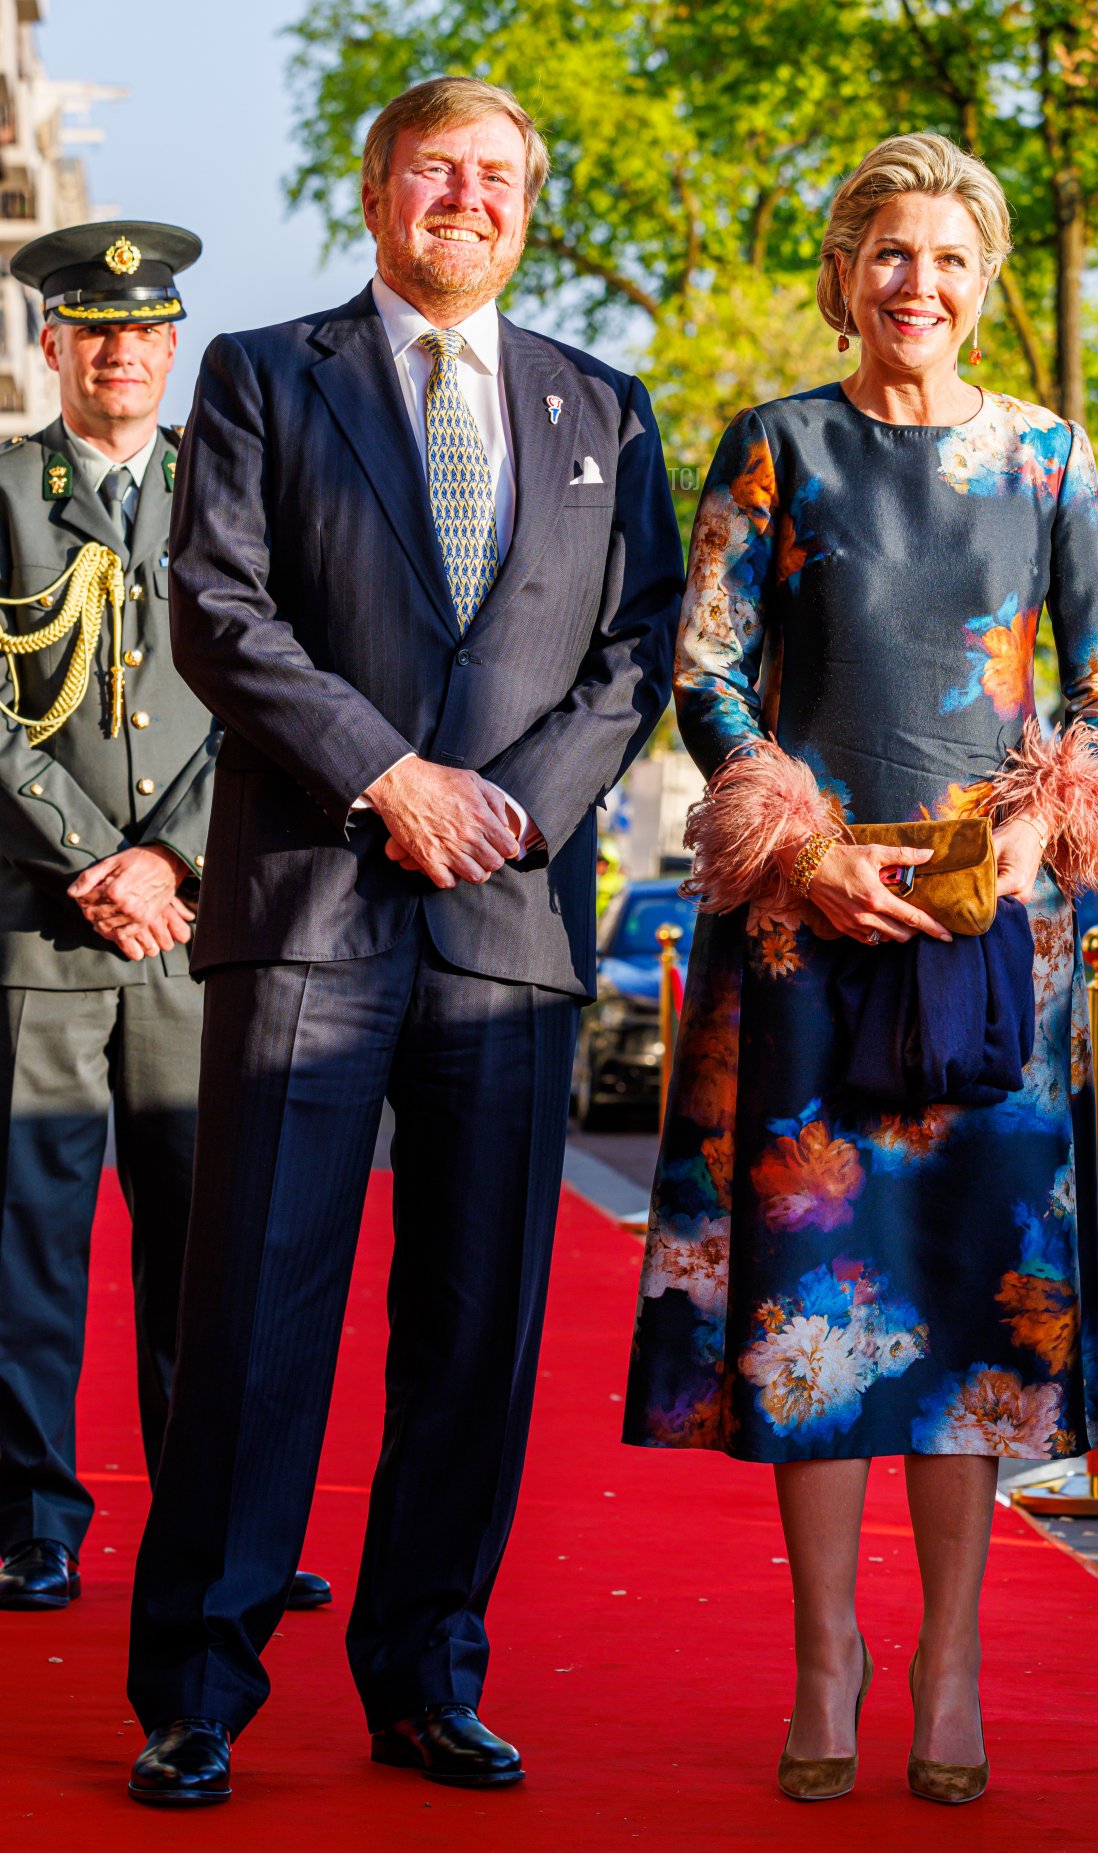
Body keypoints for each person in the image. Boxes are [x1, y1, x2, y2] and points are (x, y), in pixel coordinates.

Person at [125, 77, 681, 1807]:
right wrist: (390, 779)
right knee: (257, 1310)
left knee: (477, 1326)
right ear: (376, 191)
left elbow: (637, 646)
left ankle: (428, 1671)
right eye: (437, 167)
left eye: (502, 175)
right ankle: (200, 1689)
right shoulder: (260, 376)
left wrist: (496, 807)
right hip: (308, 909)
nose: (469, 196)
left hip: (507, 927)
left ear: (531, 203)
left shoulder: (609, 406)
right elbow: (216, 606)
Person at [623, 133, 1098, 1806]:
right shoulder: (778, 447)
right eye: (886, 253)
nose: (915, 283)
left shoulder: (1053, 460)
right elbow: (703, 671)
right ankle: (830, 1657)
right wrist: (797, 841)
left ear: (986, 280)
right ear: (847, 269)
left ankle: (950, 1665)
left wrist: (1043, 820)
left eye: (947, 257)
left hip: (993, 934)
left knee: (971, 1308)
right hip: (806, 928)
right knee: (822, 1315)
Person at [0, 221, 329, 1621]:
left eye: (145, 330)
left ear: (172, 342)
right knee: (28, 1248)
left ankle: (221, 1531)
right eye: (94, 329)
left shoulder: (232, 495)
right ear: (50, 344)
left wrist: (172, 858)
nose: (122, 352)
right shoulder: (5, 491)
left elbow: (284, 688)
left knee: (214, 1253)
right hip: (38, 932)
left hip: (198, 931)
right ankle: (29, 1521)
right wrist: (92, 855)